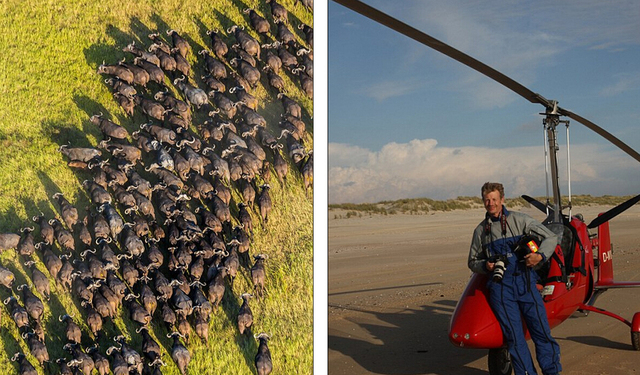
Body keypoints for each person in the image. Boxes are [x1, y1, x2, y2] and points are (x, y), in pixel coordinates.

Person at [468, 182, 562, 375]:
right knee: (514, 338)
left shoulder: (520, 220)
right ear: (483, 202)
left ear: (502, 200)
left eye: (494, 199)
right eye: (487, 200)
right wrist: (485, 266)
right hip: (501, 291)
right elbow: (472, 262)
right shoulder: (480, 232)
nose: (491, 203)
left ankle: (552, 371)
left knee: (541, 333)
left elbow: (551, 238)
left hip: (526, 284)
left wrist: (540, 256)